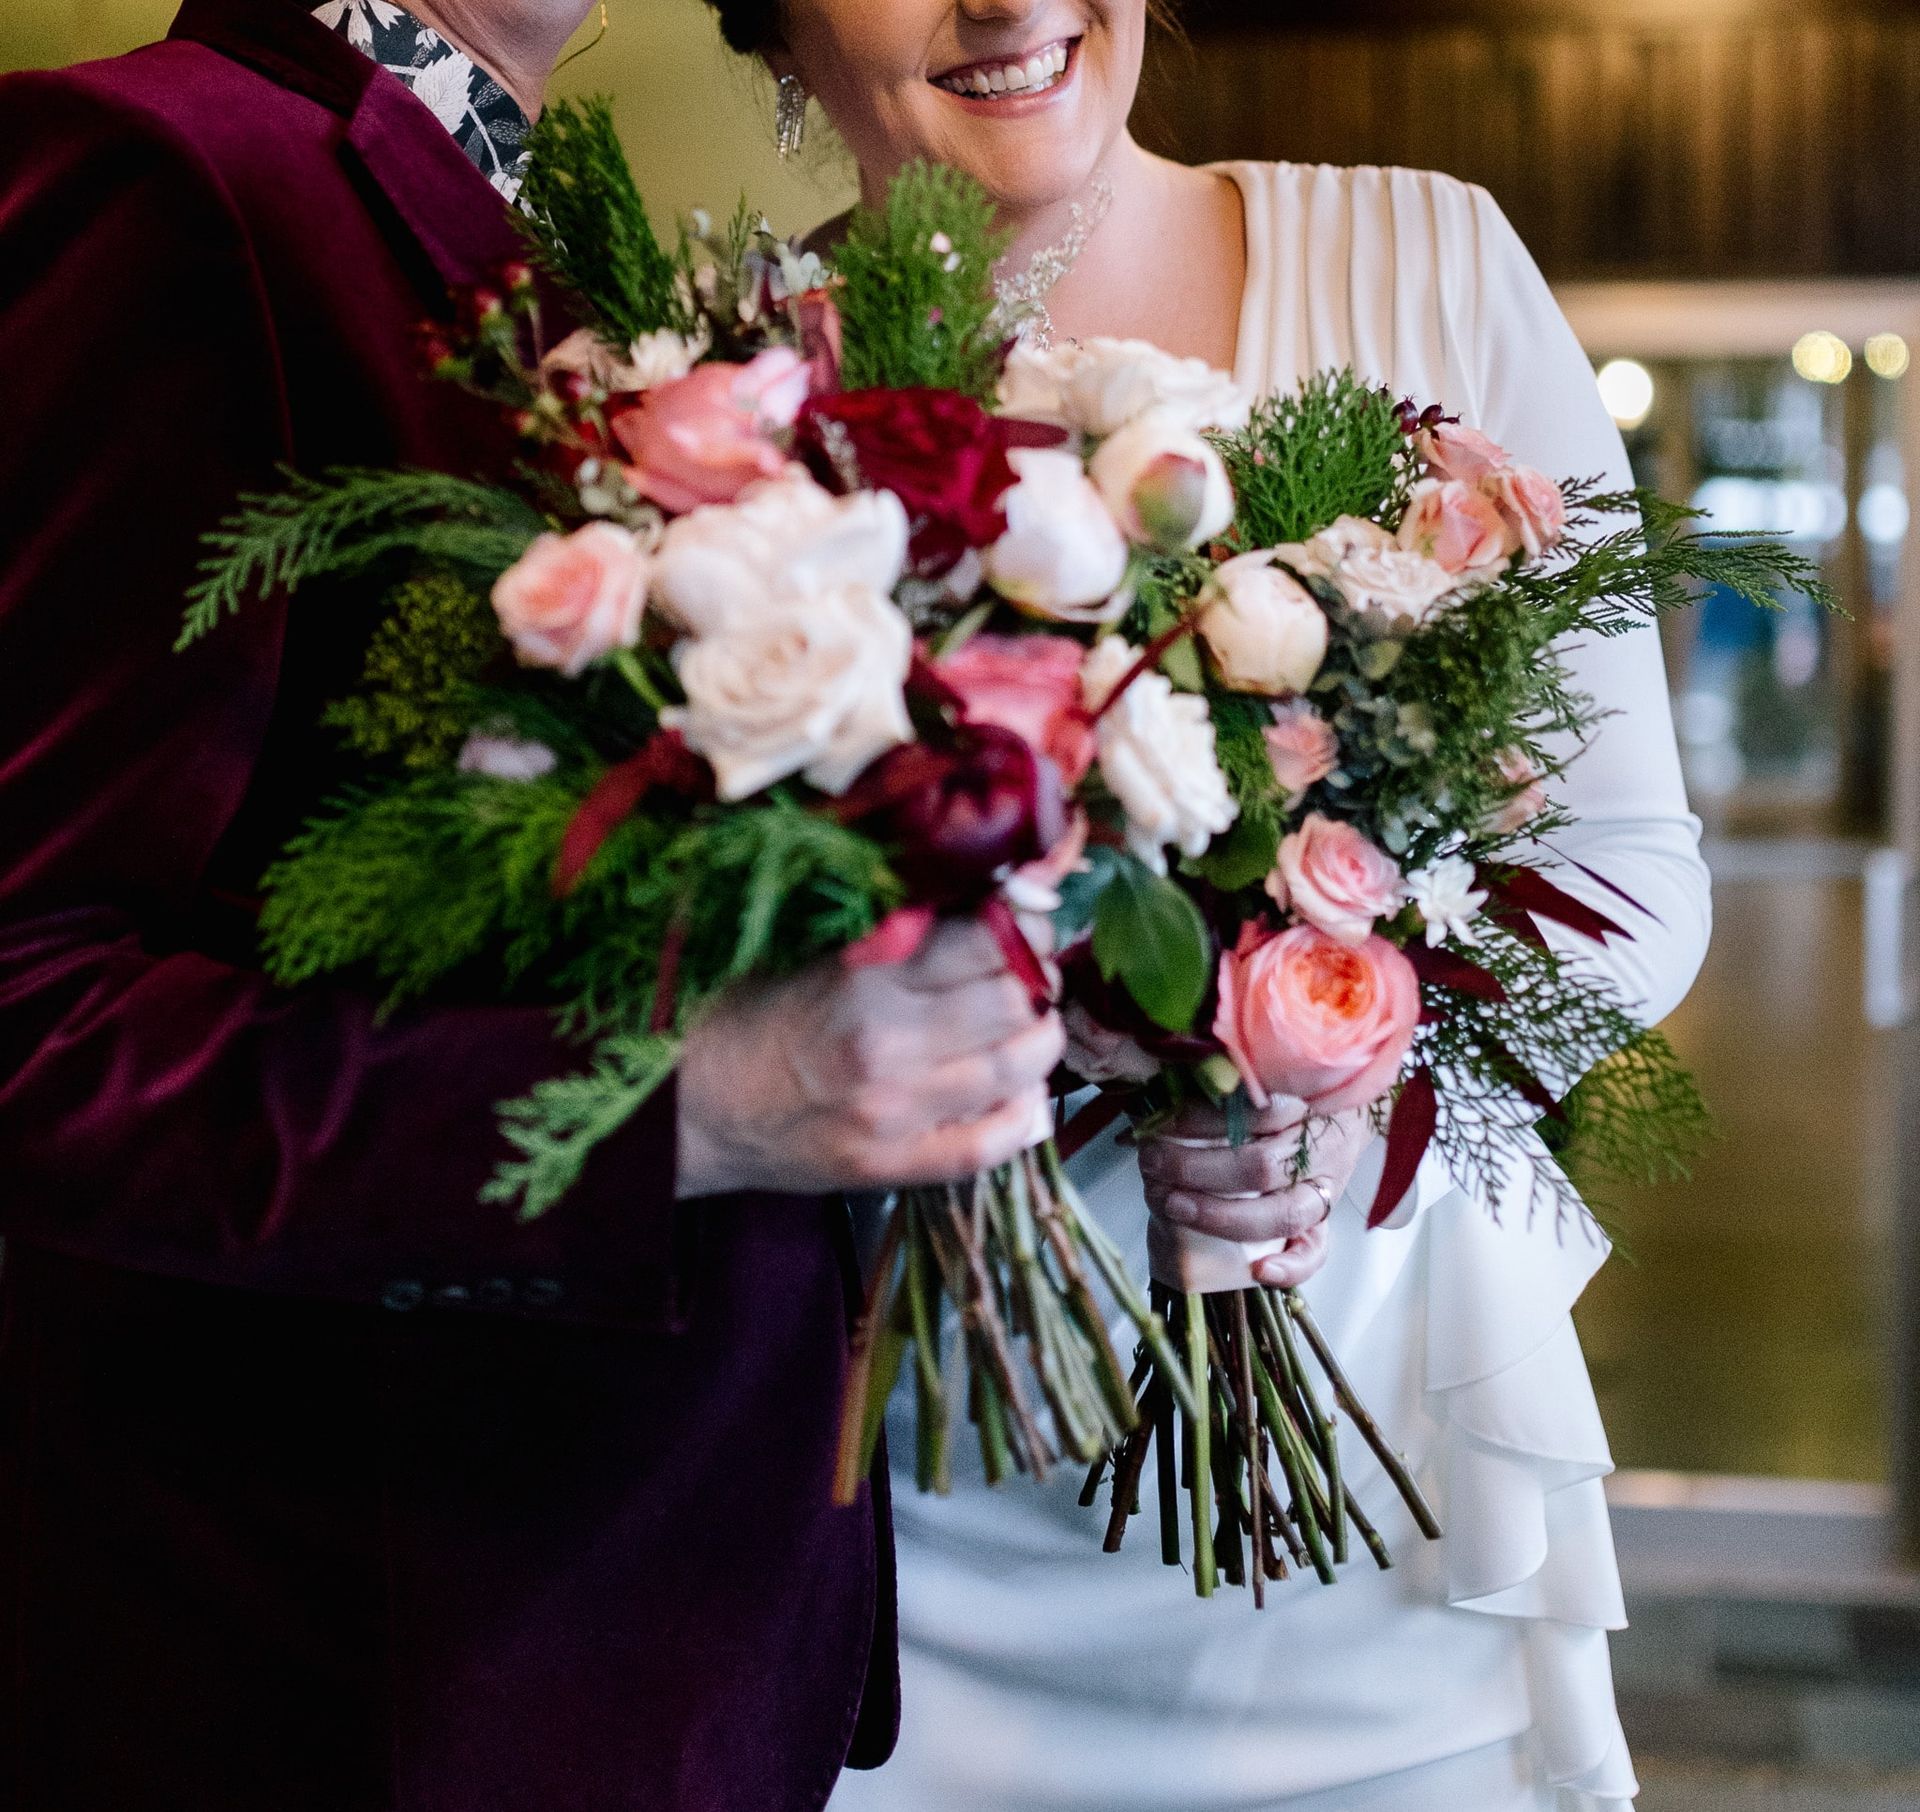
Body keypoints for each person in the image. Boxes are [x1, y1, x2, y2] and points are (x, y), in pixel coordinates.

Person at [0, 3, 1068, 1807]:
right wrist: (687, 1103)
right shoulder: (165, 174)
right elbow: (32, 1010)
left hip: (644, 1661)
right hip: (374, 1693)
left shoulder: (516, 222)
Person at [699, 1, 1714, 1807]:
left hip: (1376, 1504)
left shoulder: (1428, 262)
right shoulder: (715, 401)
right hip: (898, 1530)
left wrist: (1326, 1063)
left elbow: (1634, 875)